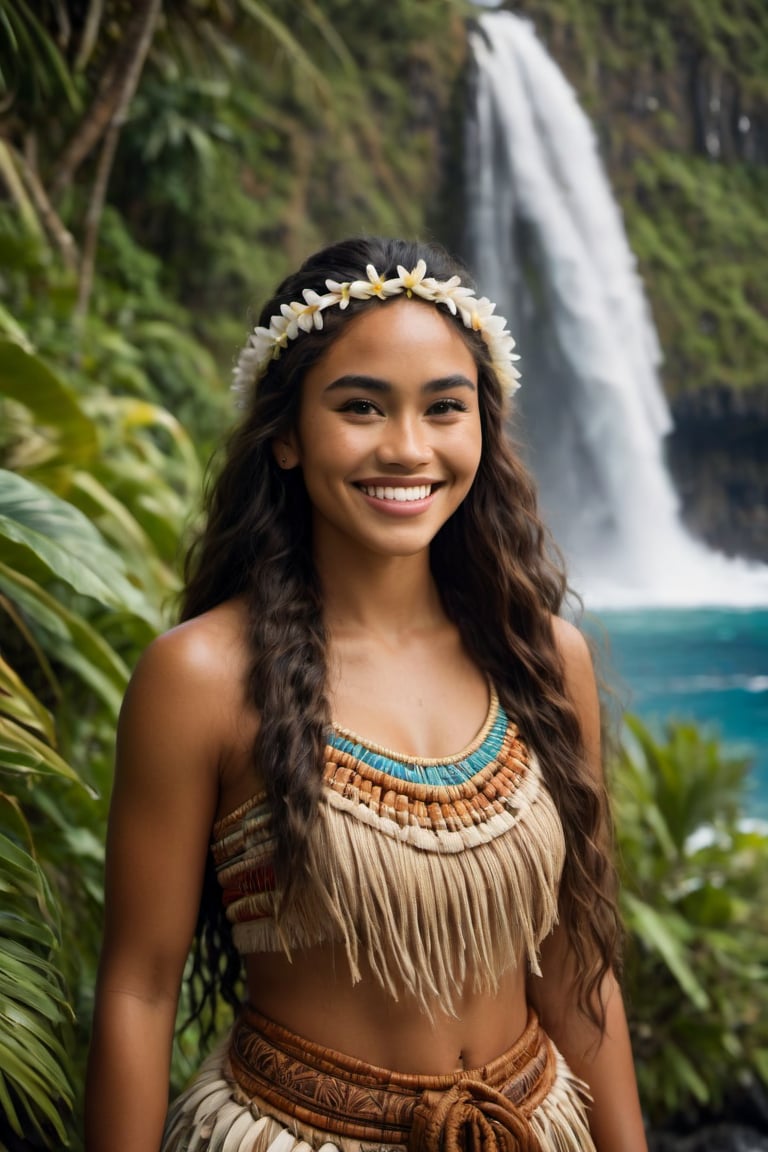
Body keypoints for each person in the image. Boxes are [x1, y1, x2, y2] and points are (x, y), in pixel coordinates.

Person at [85, 236, 648, 1152]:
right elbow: (139, 989)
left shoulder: (545, 659)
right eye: (360, 407)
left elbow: (578, 965)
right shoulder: (202, 681)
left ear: (483, 428)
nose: (407, 448)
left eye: (444, 409)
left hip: (531, 1128)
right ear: (285, 433)